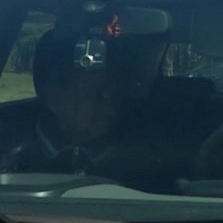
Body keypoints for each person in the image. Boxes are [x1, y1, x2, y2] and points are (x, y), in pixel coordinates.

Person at [0, 32, 166, 190]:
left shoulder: (142, 162)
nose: (112, 110)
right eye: (100, 96)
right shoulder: (10, 152)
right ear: (55, 97)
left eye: (116, 96)